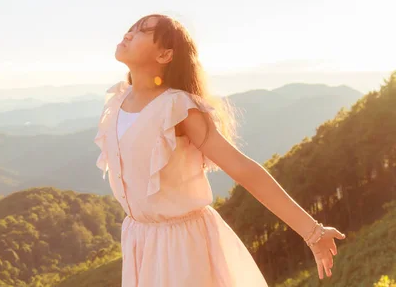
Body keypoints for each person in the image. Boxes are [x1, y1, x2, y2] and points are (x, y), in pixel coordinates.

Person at [94, 14, 346, 286]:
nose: (129, 34)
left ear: (165, 55)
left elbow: (243, 169)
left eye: (142, 31)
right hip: (139, 242)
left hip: (183, 248)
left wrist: (313, 232)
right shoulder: (118, 101)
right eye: (131, 28)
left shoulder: (178, 108)